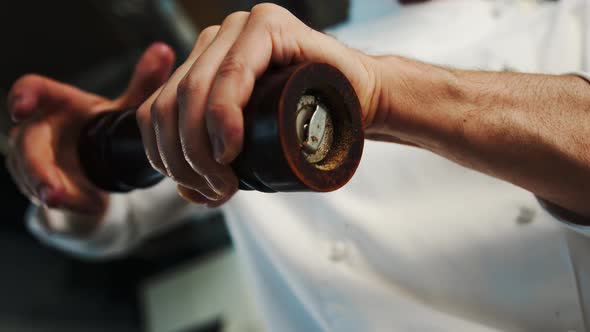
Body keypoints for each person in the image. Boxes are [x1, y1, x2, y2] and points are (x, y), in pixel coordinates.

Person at [6, 0, 590, 331]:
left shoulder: (572, 21)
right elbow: (114, 218)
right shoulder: (269, 58)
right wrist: (78, 169)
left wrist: (383, 95)